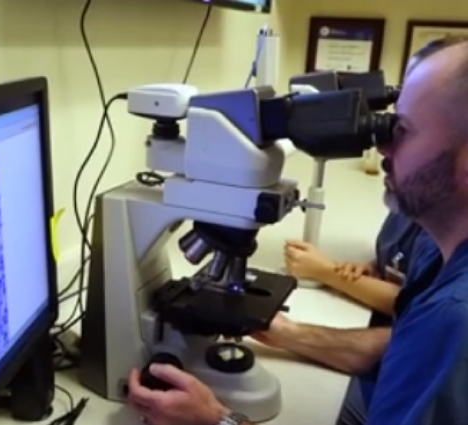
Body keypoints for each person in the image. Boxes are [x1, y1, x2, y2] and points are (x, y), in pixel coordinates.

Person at [127, 36, 468, 425]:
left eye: (402, 130)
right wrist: (294, 334)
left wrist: (215, 420)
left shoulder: (455, 319)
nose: (384, 146)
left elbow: (436, 341)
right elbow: (405, 347)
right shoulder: (435, 250)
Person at [284, 212, 425, 425]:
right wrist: (374, 269)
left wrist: (328, 272)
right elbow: (402, 263)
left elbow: (416, 308)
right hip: (397, 349)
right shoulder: (410, 210)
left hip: (409, 382)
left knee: (311, 402)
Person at [284, 212, 423, 317]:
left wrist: (326, 271)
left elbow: (415, 302)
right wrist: (375, 267)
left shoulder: (434, 226)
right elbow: (400, 253)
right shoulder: (405, 206)